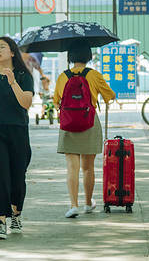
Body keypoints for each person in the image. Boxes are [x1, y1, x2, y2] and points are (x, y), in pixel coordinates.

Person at [53, 39, 116, 218]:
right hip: (89, 122)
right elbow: (110, 95)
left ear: (70, 56)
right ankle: (88, 204)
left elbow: (56, 101)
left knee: (72, 168)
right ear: (88, 55)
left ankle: (73, 205)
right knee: (88, 167)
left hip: (68, 123)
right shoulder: (94, 75)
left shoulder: (63, 76)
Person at [0, 36, 34, 239]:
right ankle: (1, 220)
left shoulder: (23, 75)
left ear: (12, 52)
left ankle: (16, 213)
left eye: (2, 47)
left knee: (17, 177)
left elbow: (26, 103)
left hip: (18, 130)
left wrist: (12, 83)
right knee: (1, 174)